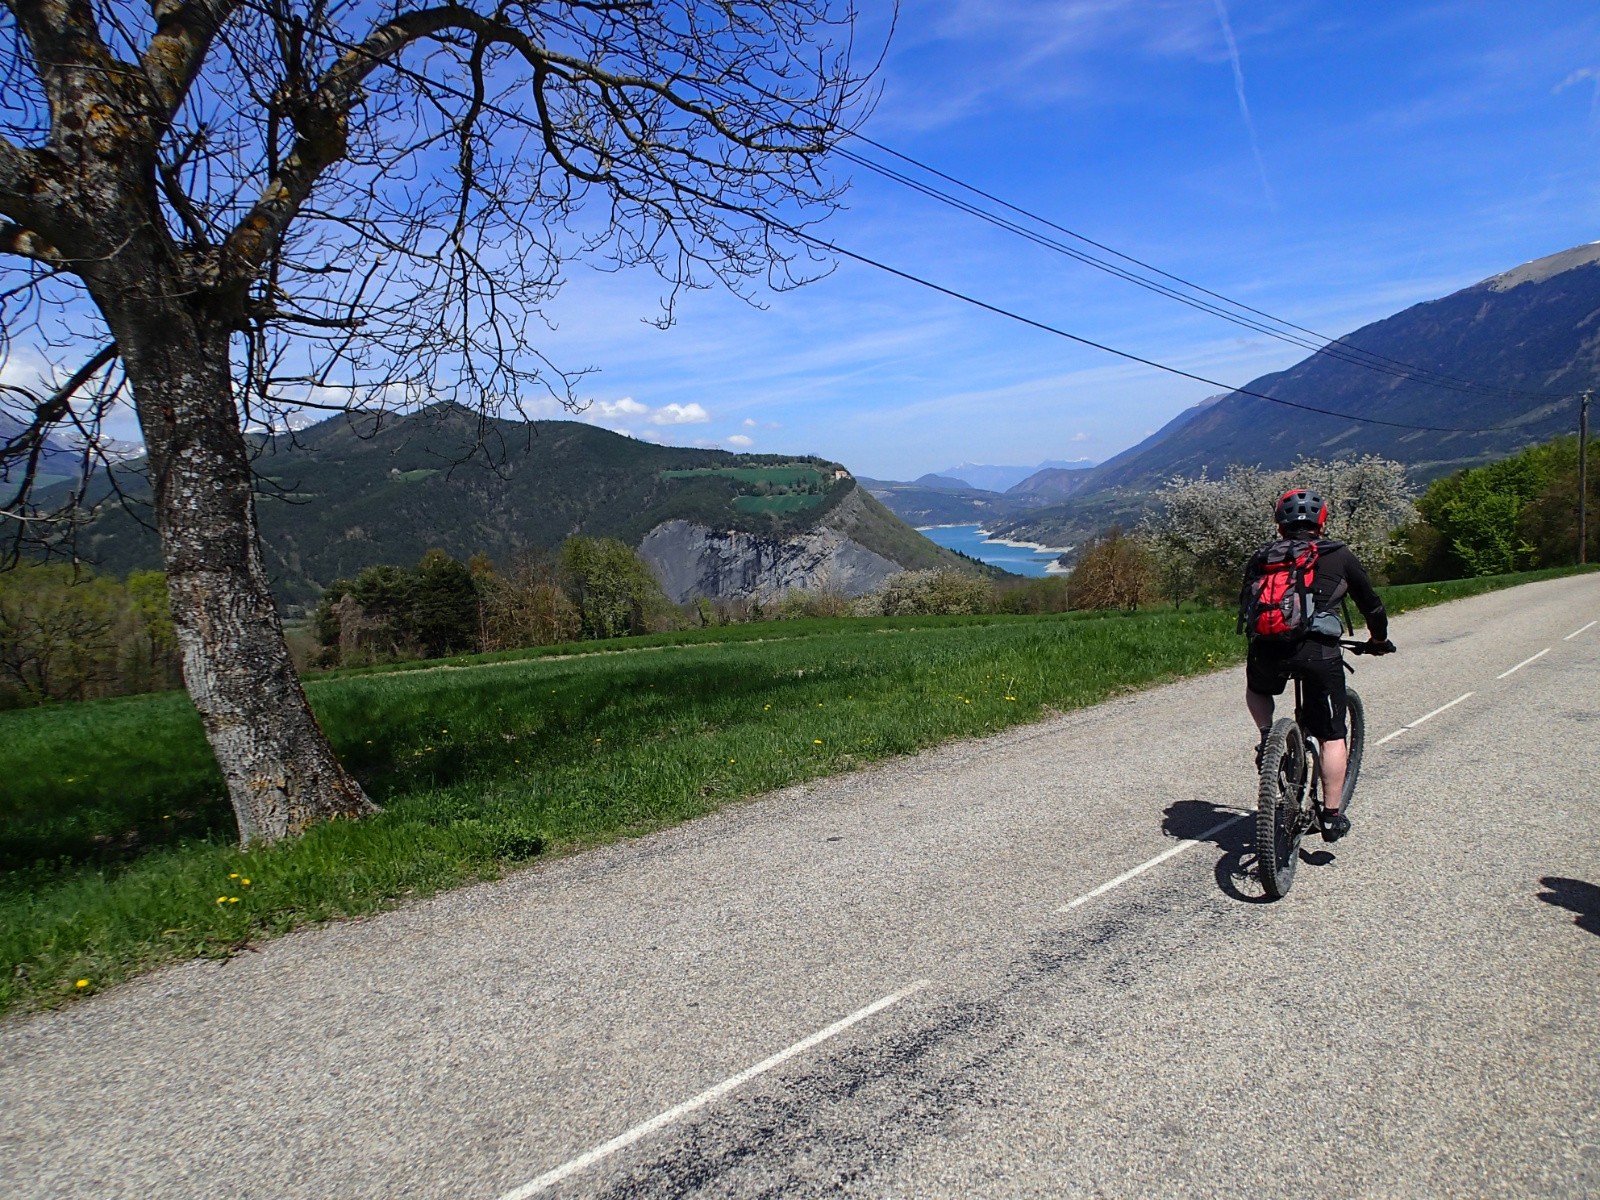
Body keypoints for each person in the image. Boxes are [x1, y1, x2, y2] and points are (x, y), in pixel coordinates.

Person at [1242, 488, 1394, 842]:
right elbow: (1372, 605)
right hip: (1318, 652)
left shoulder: (1263, 556)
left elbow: (1250, 604)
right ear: (1321, 522)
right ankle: (1331, 816)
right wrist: (1378, 640)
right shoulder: (1339, 555)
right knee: (1332, 735)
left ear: (1279, 524)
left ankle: (1268, 738)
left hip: (1266, 648)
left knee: (1257, 688)